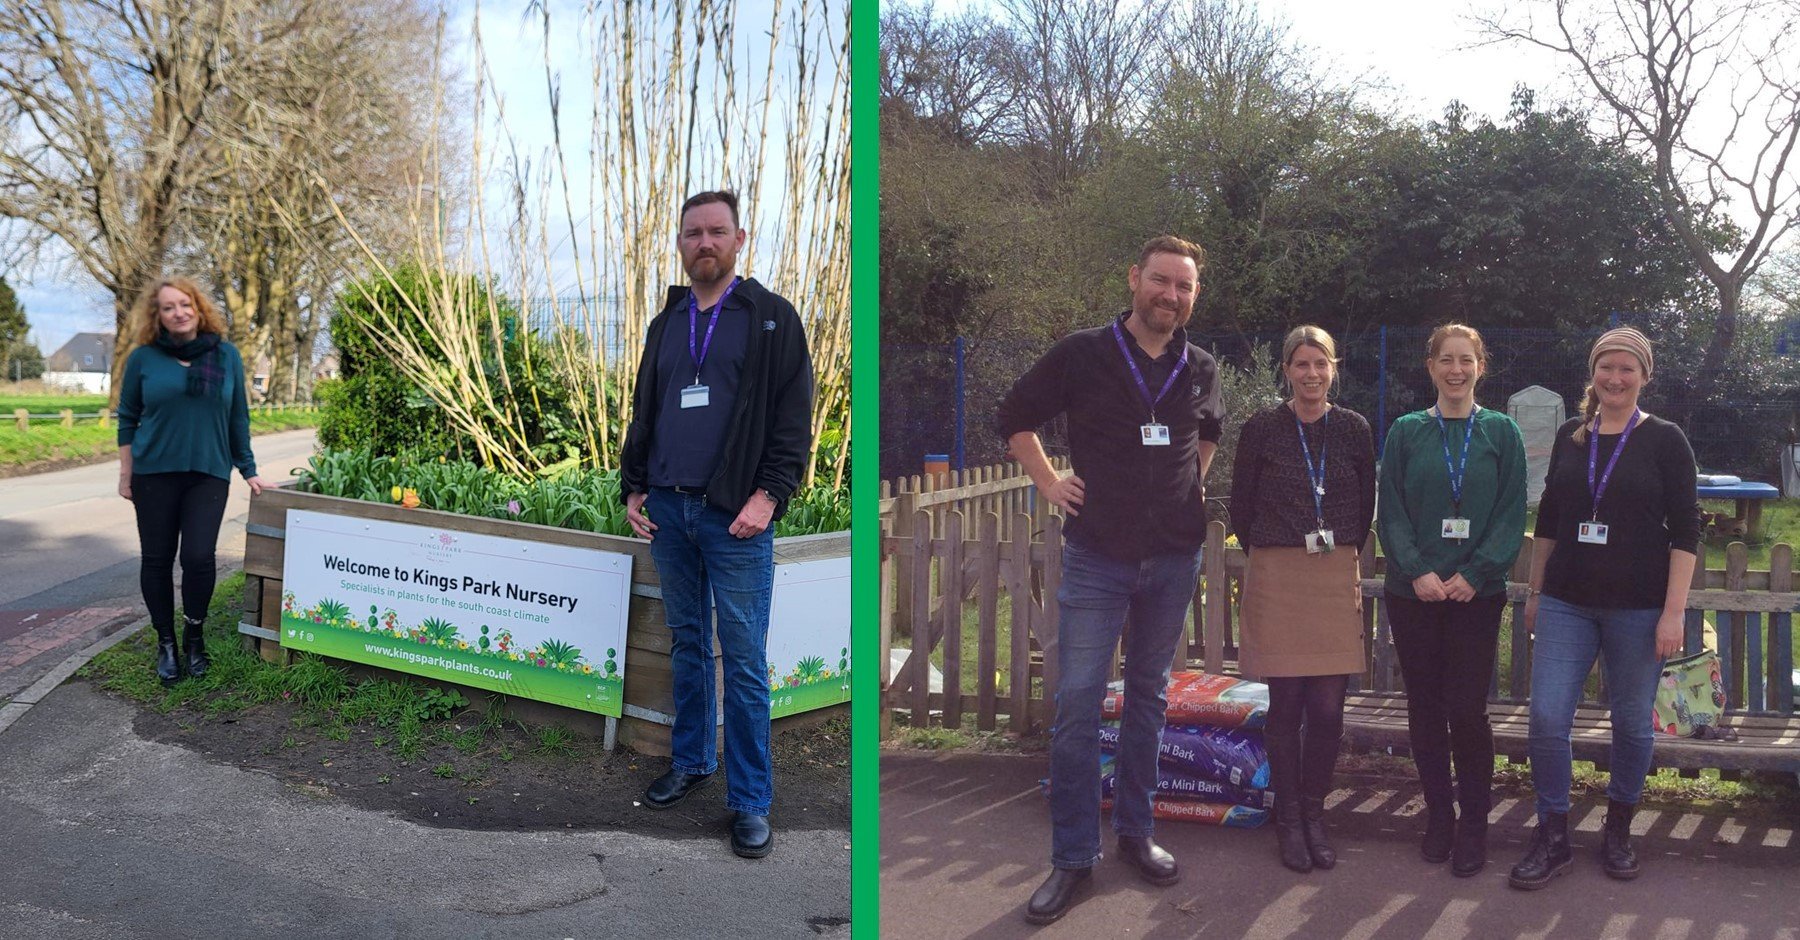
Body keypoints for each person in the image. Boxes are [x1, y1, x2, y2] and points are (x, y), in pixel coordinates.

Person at [996, 235, 1224, 925]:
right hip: (1098, 556)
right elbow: (1014, 418)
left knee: (1150, 698)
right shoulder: (1083, 353)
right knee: (1076, 707)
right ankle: (1072, 859)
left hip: (1173, 558)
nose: (1171, 296)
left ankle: (1136, 833)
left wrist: (1187, 489)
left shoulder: (1202, 365)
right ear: (1134, 280)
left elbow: (1208, 433)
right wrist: (1048, 481)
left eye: (1183, 287)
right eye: (1161, 282)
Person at [619, 190, 814, 859]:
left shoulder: (770, 319)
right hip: (670, 510)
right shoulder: (666, 323)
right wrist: (634, 485)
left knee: (746, 663)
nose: (705, 242)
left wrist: (770, 496)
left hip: (736, 518)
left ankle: (752, 802)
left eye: (717, 232)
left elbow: (793, 420)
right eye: (693, 233)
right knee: (688, 645)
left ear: (739, 239)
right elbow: (645, 408)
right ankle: (693, 760)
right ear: (679, 242)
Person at [1510, 326, 1700, 889]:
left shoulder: (1666, 440)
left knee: (1631, 723)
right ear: (1592, 374)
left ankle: (1618, 829)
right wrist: (1537, 593)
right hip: (1567, 602)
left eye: (1627, 369)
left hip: (1639, 609)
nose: (1615, 378)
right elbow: (1547, 522)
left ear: (1644, 376)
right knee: (1546, 716)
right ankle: (1554, 834)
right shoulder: (1573, 435)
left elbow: (1687, 531)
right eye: (1606, 368)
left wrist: (1673, 612)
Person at [1376, 323, 1526, 877]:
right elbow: (1389, 508)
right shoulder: (1406, 432)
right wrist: (1416, 571)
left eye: (1466, 360)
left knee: (1466, 710)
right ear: (1431, 366)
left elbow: (1512, 514)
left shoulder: (1502, 433)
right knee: (1425, 707)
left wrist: (1477, 573)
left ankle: (1475, 822)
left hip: (1474, 597)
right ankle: (1439, 813)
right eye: (1447, 360)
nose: (1456, 370)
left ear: (1480, 366)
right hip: (1414, 594)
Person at [1228, 325, 1375, 874]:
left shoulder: (1355, 428)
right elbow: (1241, 505)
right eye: (1301, 364)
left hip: (1334, 572)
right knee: (1286, 708)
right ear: (1286, 370)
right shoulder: (1262, 427)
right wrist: (1275, 550)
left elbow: (1365, 506)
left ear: (1334, 368)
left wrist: (1338, 556)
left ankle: (1314, 814)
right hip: (1278, 571)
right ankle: (1288, 818)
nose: (1312, 374)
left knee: (1327, 709)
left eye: (1321, 364)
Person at [116, 277, 267, 685]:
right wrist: (126, 473)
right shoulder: (144, 359)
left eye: (184, 304)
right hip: (153, 475)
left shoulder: (225, 356)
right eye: (168, 307)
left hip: (208, 473)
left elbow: (238, 416)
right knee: (157, 559)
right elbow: (128, 418)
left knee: (199, 558)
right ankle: (165, 642)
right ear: (158, 316)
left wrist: (248, 468)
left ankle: (194, 636)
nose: (178, 312)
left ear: (198, 309)